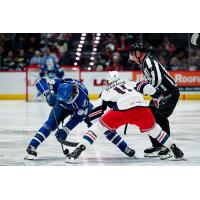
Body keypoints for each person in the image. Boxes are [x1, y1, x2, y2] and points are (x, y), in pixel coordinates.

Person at [65, 71, 184, 162]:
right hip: (142, 108)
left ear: (108, 81)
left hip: (121, 110)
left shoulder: (106, 91)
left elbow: (94, 113)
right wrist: (156, 96)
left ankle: (78, 149)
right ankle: (175, 149)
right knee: (155, 131)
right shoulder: (129, 82)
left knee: (97, 128)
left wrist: (103, 125)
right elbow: (146, 87)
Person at [25, 76, 135, 160]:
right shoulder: (59, 84)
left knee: (103, 125)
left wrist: (66, 129)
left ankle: (124, 147)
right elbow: (40, 81)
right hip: (60, 106)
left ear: (74, 93)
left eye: (69, 99)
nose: (67, 101)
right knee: (50, 124)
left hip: (81, 109)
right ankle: (32, 147)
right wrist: (48, 93)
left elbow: (77, 118)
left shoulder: (82, 100)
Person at [129, 43, 180, 158]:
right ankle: (157, 145)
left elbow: (156, 80)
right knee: (149, 116)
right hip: (160, 94)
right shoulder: (144, 63)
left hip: (170, 93)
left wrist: (143, 89)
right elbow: (150, 82)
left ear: (138, 53)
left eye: (133, 54)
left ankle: (167, 147)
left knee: (160, 116)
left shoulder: (149, 61)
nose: (132, 57)